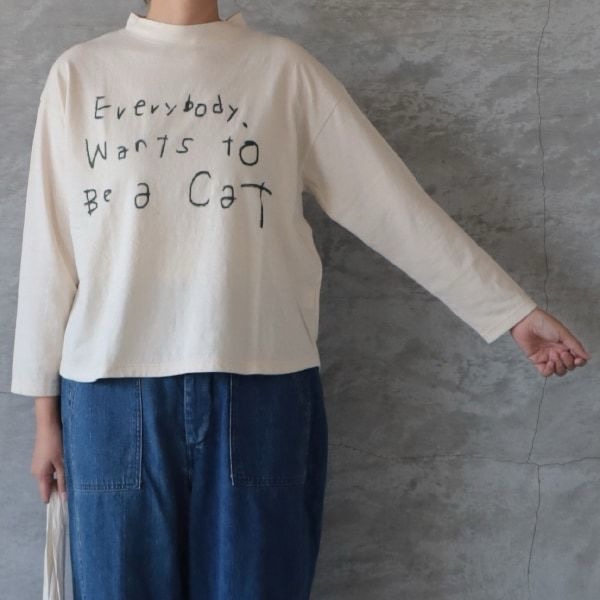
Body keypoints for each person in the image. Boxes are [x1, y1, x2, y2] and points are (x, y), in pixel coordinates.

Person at [11, 0, 590, 598]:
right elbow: (49, 251)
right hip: (110, 398)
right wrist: (45, 417)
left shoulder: (282, 71)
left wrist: (509, 311)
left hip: (259, 391)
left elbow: (390, 204)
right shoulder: (80, 74)